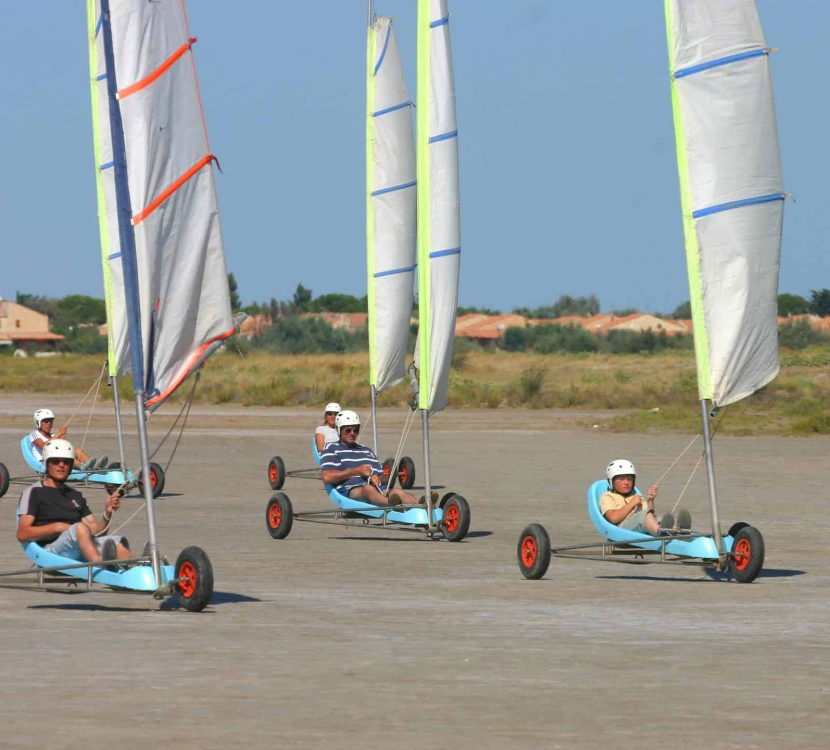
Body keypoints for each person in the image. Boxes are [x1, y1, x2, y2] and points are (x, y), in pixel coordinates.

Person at [17, 438, 131, 567]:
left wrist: (107, 514)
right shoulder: (34, 492)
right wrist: (58, 527)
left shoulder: (75, 495)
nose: (61, 465)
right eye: (56, 461)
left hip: (80, 547)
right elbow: (22, 533)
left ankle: (136, 572)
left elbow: (96, 531)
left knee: (118, 542)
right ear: (47, 464)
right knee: (79, 528)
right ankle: (100, 565)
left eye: (66, 462)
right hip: (51, 552)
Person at [320, 410, 435, 507]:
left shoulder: (366, 450)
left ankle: (420, 505)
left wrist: (380, 479)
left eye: (355, 430)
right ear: (339, 430)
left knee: (397, 491)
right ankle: (392, 506)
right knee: (368, 489)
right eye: (348, 430)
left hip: (378, 489)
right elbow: (327, 477)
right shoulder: (331, 448)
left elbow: (384, 478)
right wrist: (356, 471)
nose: (352, 433)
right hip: (351, 490)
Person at [599, 459, 691, 536]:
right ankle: (662, 533)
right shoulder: (607, 496)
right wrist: (632, 504)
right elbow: (613, 518)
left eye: (629, 479)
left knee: (658, 519)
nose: (626, 482)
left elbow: (650, 517)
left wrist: (651, 500)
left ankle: (678, 531)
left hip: (639, 528)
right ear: (611, 481)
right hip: (620, 530)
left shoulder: (636, 496)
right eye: (621, 479)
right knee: (644, 516)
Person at [29, 408, 107, 471]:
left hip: (57, 458)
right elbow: (43, 446)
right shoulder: (35, 434)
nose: (49, 423)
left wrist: (62, 440)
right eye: (46, 421)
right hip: (45, 461)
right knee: (64, 455)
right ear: (38, 422)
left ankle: (93, 467)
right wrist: (59, 434)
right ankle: (81, 466)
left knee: (76, 450)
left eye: (51, 421)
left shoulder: (53, 435)